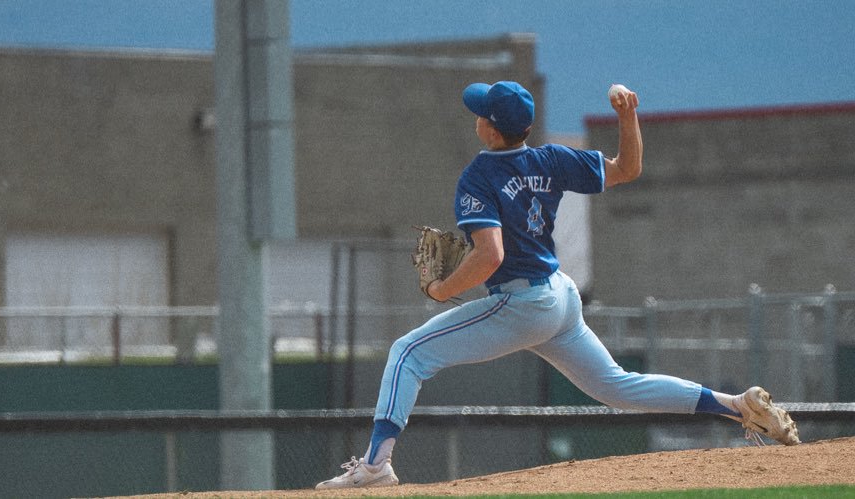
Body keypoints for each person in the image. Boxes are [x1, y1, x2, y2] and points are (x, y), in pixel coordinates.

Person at [315, 81, 799, 490]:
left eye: (480, 113)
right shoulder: (549, 158)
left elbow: (490, 255)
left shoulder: (479, 177)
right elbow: (627, 169)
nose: (476, 118)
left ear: (490, 128)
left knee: (408, 353)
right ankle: (736, 406)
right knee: (618, 387)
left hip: (523, 304)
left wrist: (441, 290)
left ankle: (375, 467)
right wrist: (628, 116)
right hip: (559, 297)